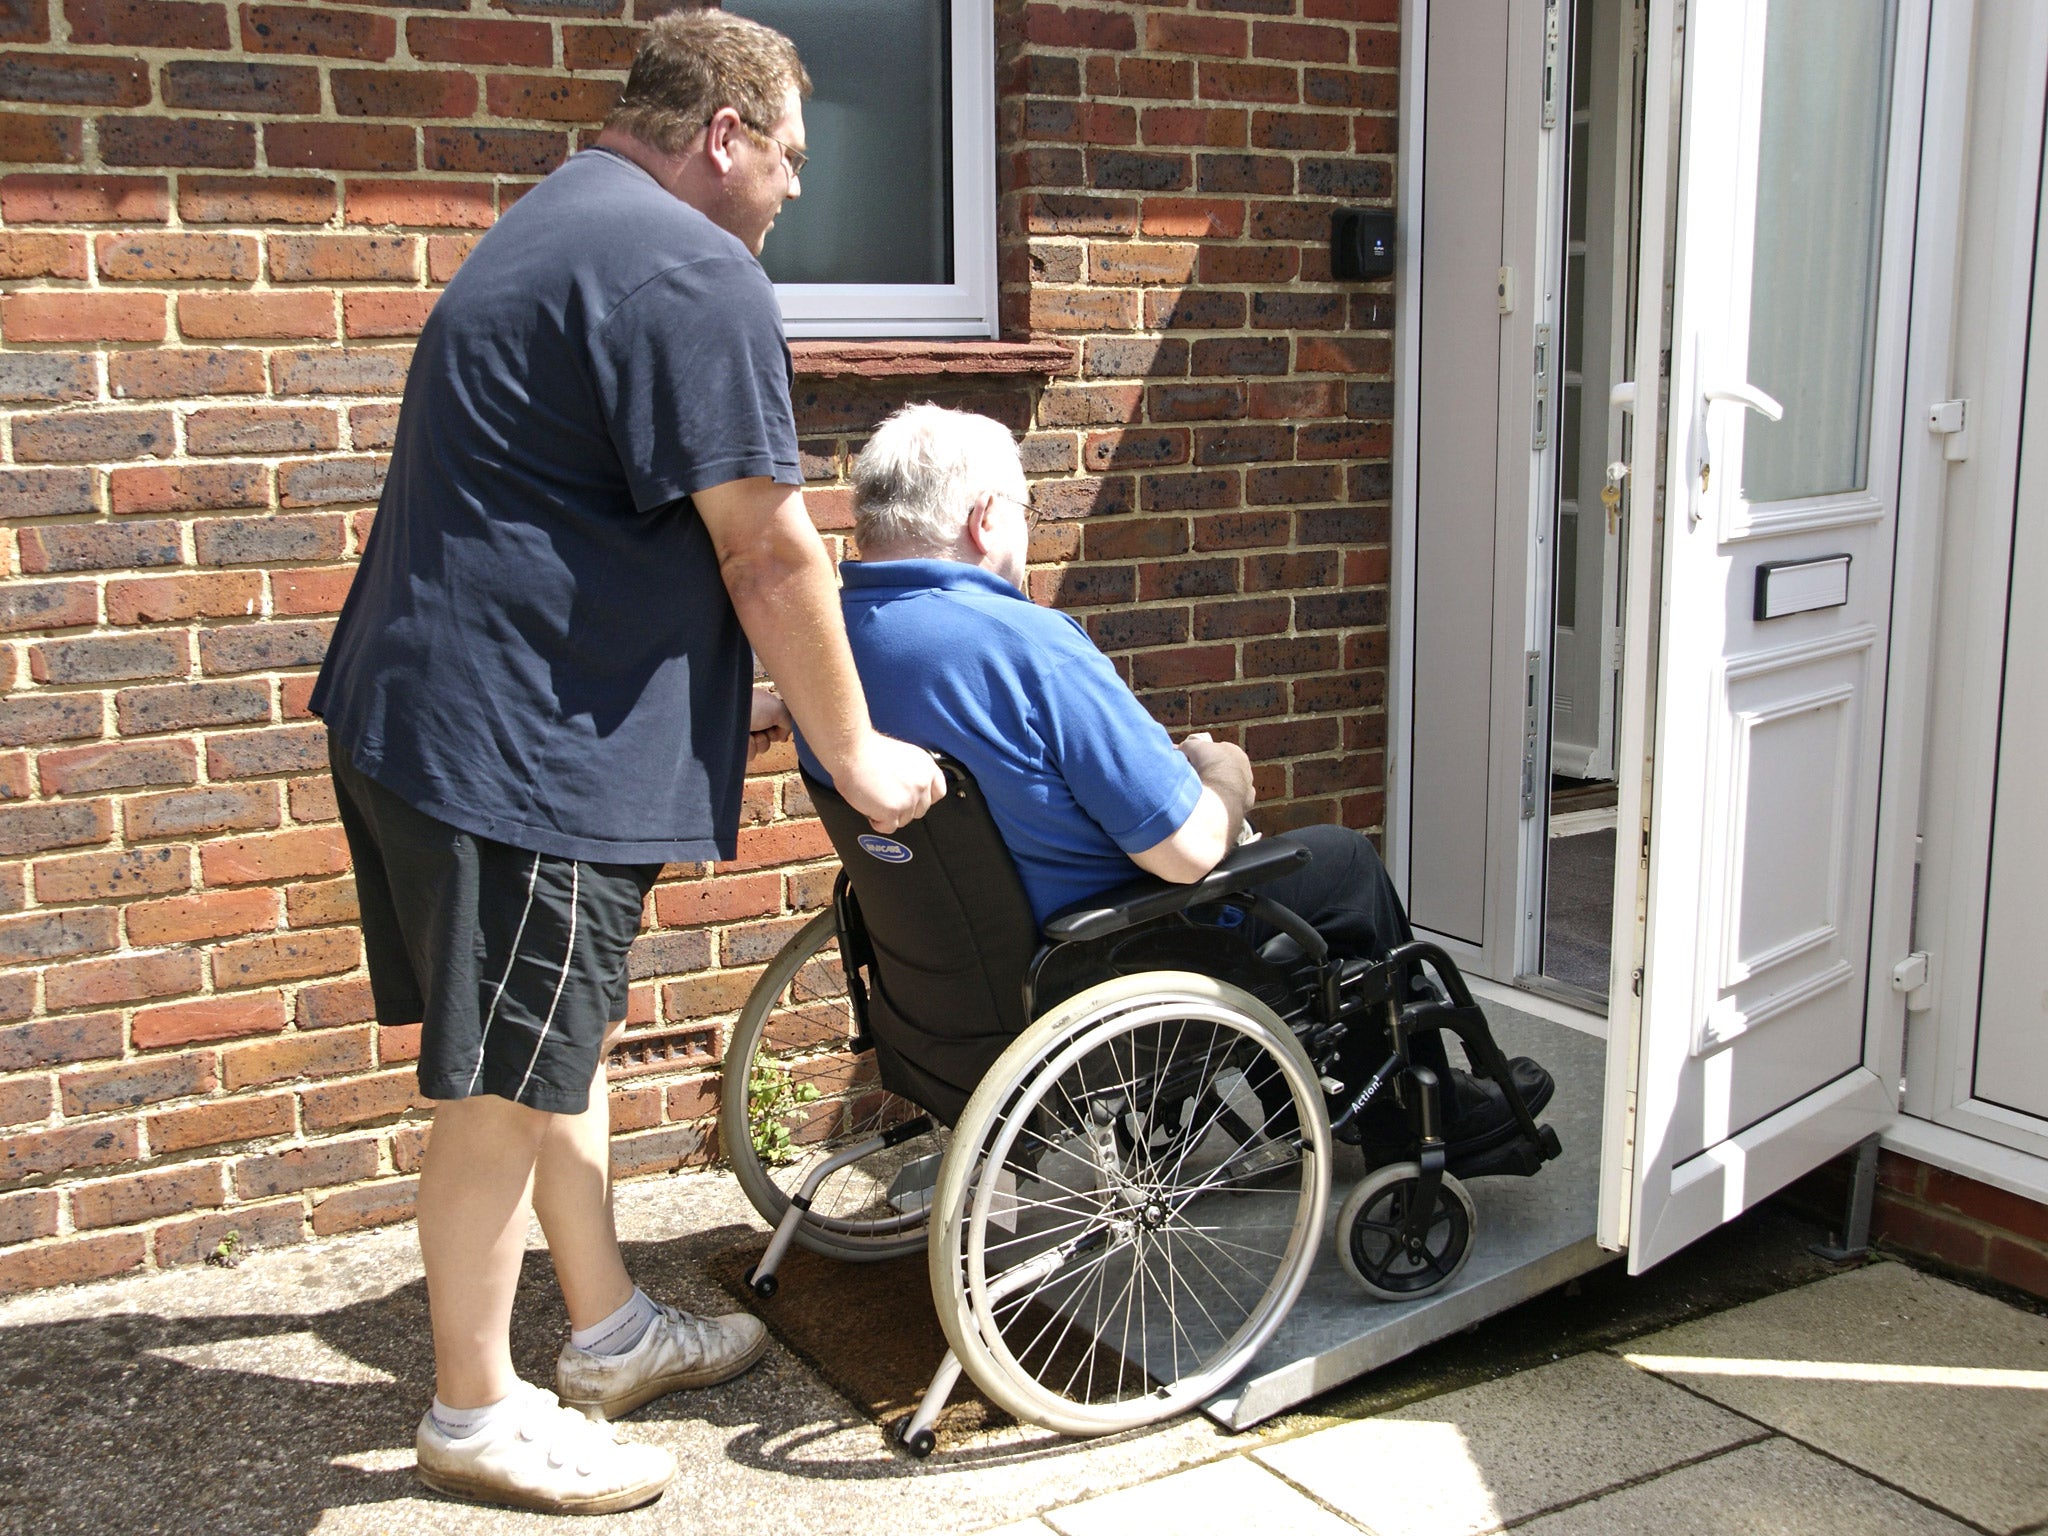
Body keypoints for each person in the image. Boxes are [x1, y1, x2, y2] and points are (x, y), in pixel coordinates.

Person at [309, 12, 946, 1517]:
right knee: (500, 1088)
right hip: (513, 751)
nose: (793, 192)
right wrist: (856, 751)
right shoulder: (690, 265)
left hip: (430, 715)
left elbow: (595, 507)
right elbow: (770, 548)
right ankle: (475, 1412)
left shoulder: (558, 217)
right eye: (789, 156)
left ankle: (602, 1332)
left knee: (550, 1044)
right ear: (722, 133)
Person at [802, 403, 1554, 1163]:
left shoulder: (822, 655)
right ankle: (1423, 1122)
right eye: (1028, 510)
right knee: (1340, 864)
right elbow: (1189, 852)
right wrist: (1225, 775)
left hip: (945, 994)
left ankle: (1338, 1093)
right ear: (989, 518)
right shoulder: (1026, 646)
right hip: (1092, 967)